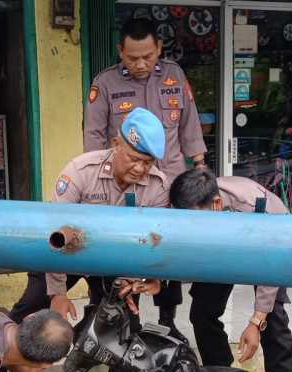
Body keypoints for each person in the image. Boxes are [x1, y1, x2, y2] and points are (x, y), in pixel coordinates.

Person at [0, 108, 170, 372]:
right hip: (66, 254)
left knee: (126, 325)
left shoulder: (157, 187)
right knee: (26, 310)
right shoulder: (81, 171)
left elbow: (150, 241)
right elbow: (54, 236)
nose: (140, 169)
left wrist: (135, 279)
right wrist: (57, 293)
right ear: (116, 143)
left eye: (147, 163)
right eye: (134, 158)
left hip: (115, 262)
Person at [84, 17, 209, 341]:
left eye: (148, 56)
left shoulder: (174, 75)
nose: (140, 64)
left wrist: (199, 164)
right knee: (131, 249)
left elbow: (189, 123)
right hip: (130, 187)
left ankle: (168, 318)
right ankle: (126, 320)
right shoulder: (105, 83)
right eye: (132, 57)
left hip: (171, 184)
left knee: (169, 251)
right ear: (120, 52)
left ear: (159, 49)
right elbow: (94, 138)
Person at [169, 170, 292, 372]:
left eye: (193, 219)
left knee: (272, 316)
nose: (188, 226)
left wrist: (256, 321)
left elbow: (272, 265)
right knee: (202, 312)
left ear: (216, 204)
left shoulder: (255, 210)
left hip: (271, 244)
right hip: (225, 244)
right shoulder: (197, 204)